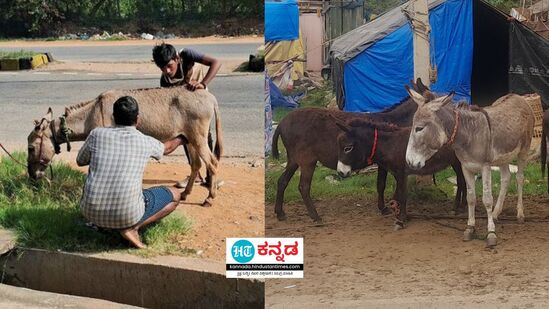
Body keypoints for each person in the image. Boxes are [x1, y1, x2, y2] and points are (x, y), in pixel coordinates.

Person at [77, 96, 185, 249]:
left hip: (90, 212)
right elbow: (166, 148)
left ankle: (103, 225)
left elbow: (80, 161)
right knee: (175, 195)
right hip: (127, 214)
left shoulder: (96, 134)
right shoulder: (144, 141)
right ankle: (132, 228)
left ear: (113, 118)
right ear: (138, 119)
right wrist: (182, 138)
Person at [152, 43, 221, 188]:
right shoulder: (165, 81)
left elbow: (216, 62)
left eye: (169, 65)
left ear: (177, 58)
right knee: (184, 134)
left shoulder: (188, 54)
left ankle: (210, 176)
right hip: (183, 105)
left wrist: (203, 83)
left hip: (199, 96)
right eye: (162, 68)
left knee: (204, 136)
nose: (167, 70)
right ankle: (195, 174)